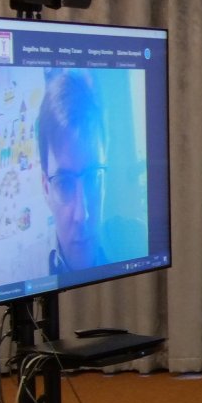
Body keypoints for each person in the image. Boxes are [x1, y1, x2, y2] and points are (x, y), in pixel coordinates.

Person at [36, 70, 125, 274]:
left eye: (92, 179)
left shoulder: (135, 241)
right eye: (64, 184)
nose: (82, 215)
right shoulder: (21, 272)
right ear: (46, 189)